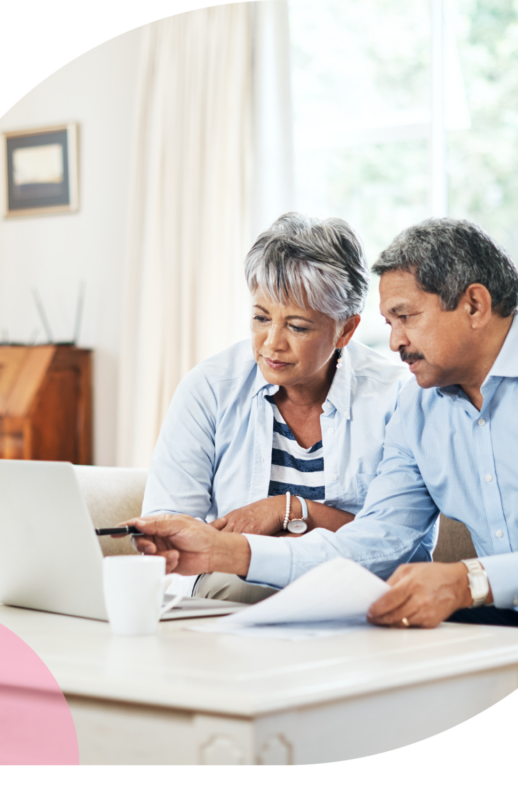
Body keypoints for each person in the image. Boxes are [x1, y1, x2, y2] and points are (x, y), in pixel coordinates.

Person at [127, 218, 518, 631]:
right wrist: (233, 552)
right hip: (503, 604)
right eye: (390, 323)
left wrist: (470, 579)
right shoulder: (419, 407)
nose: (394, 342)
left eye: (405, 317)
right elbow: (378, 540)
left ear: (474, 304)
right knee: (398, 637)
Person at [140, 212, 418, 604]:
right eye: (260, 318)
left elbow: (401, 544)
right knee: (236, 588)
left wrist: (288, 510)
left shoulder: (396, 398)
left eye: (298, 326)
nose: (271, 343)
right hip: (232, 594)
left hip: (350, 595)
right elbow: (166, 529)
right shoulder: (210, 388)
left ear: (345, 330)